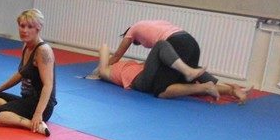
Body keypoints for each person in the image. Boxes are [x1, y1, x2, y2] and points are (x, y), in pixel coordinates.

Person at [91, 43, 250, 102]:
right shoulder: (106, 72)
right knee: (162, 47)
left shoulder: (123, 66)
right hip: (142, 81)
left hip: (150, 76)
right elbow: (103, 47)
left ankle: (230, 89)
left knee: (178, 77)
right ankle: (211, 87)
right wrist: (102, 66)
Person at [0, 9, 56, 136]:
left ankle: (32, 124)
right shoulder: (26, 46)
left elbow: (48, 85)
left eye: (30, 27)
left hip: (40, 105)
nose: (24, 30)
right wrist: (0, 88)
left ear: (38, 28)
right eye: (22, 26)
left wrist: (38, 114)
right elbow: (21, 73)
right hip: (27, 100)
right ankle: (13, 112)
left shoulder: (43, 51)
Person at [107, 19, 213, 97]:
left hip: (177, 44)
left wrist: (104, 66)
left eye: (136, 43)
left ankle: (189, 72)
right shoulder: (152, 24)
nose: (139, 44)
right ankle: (227, 88)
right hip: (191, 43)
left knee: (161, 90)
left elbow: (117, 55)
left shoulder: (132, 31)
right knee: (181, 80)